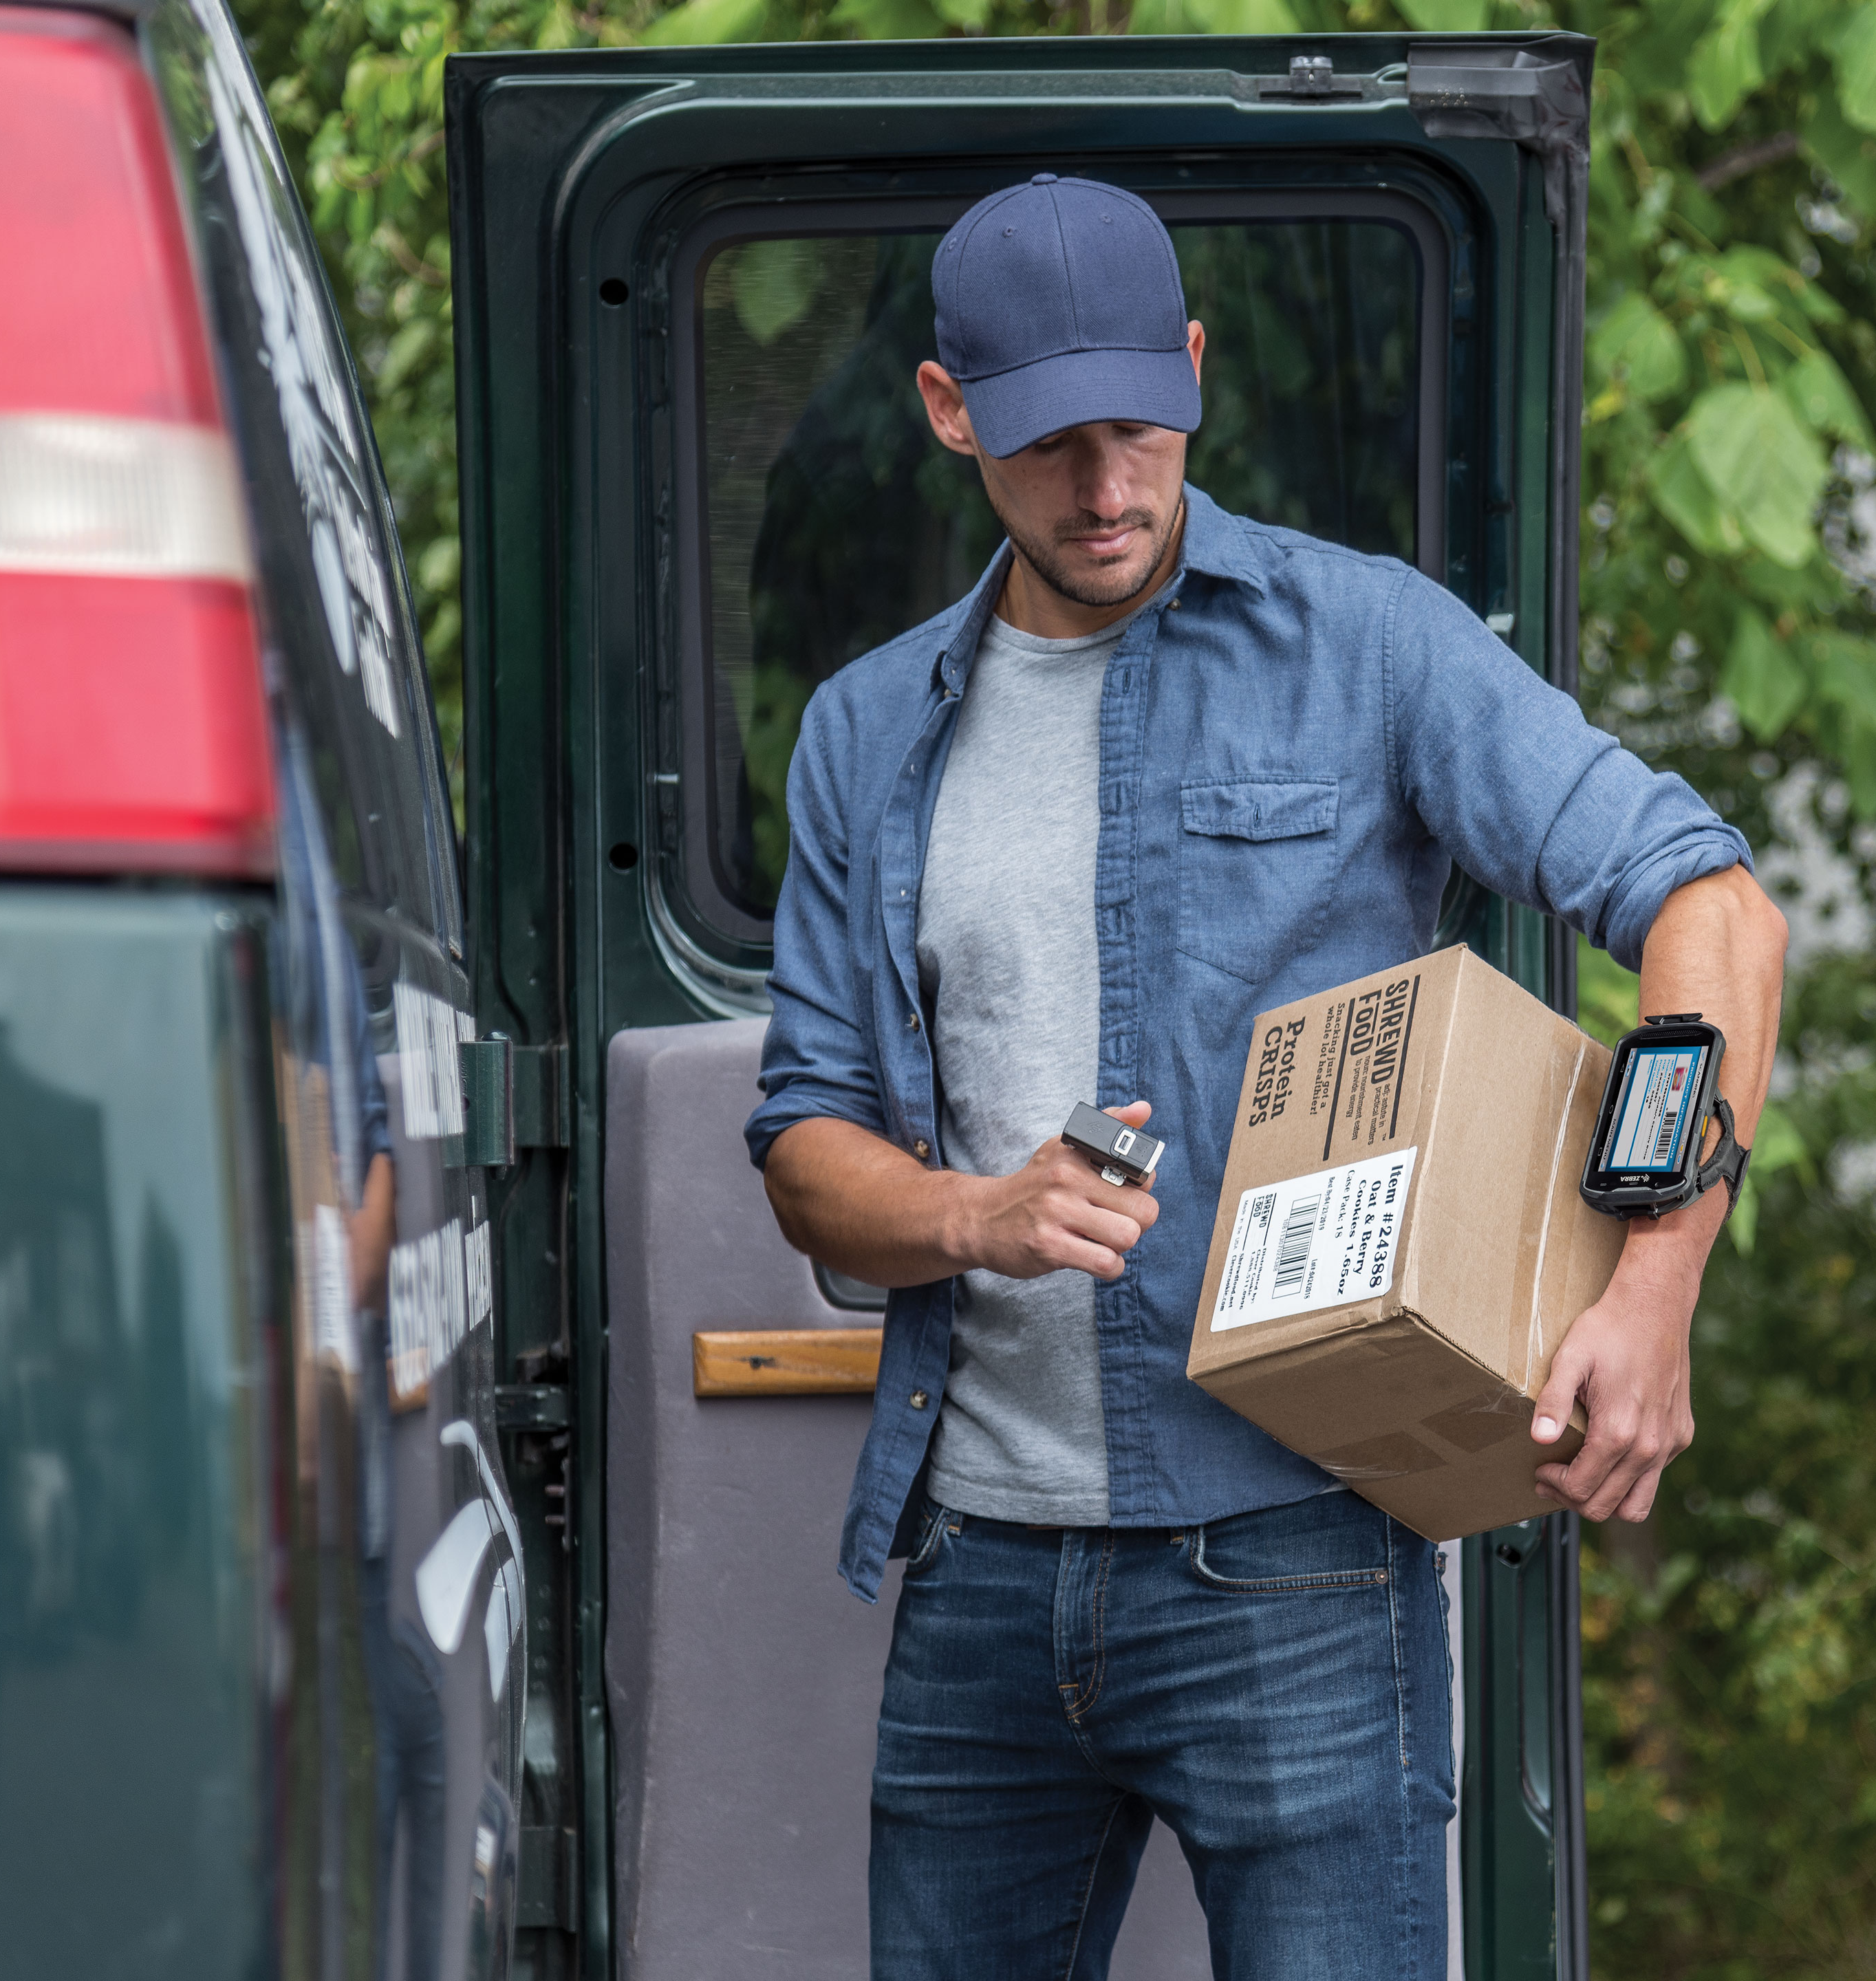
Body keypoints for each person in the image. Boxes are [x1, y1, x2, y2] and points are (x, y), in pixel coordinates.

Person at [746, 173, 1789, 1981]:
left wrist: (1660, 1273)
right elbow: (804, 1147)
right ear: (946, 414)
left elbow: (1709, 906)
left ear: (1199, 372)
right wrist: (976, 1214)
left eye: (1142, 423)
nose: (1107, 485)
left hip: (1297, 1555)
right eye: (1049, 440)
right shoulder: (865, 734)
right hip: (978, 1572)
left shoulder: (1367, 645)